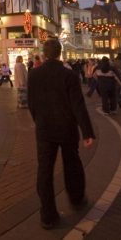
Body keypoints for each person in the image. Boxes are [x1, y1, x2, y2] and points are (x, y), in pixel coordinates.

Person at [27, 39, 95, 229]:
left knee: (45, 170)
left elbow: (31, 104)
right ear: (59, 53)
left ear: (44, 53)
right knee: (72, 163)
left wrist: (39, 121)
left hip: (44, 129)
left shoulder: (33, 75)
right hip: (67, 127)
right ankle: (76, 198)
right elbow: (78, 105)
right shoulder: (69, 75)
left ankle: (48, 215)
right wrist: (87, 131)